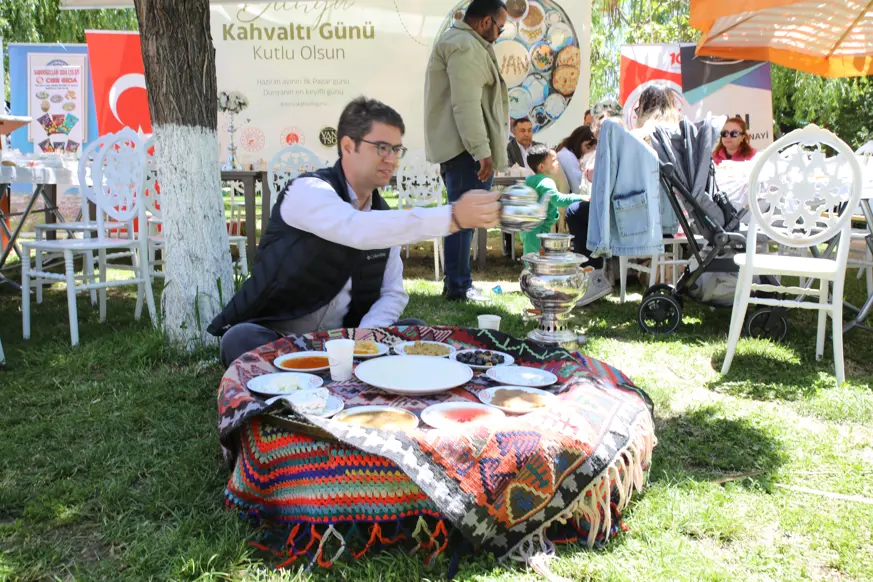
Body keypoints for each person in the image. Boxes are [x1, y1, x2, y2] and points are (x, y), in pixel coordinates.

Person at [208, 97, 501, 368]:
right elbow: (355, 228)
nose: (392, 159)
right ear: (348, 146)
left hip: (345, 339)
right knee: (240, 340)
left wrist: (363, 339)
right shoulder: (307, 191)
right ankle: (319, 375)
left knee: (415, 329)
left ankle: (343, 370)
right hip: (282, 337)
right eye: (382, 147)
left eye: (396, 149)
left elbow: (392, 293)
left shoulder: (383, 215)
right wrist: (452, 216)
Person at [425, 0, 509, 302]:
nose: (499, 34)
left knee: (463, 217)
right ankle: (459, 286)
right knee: (464, 217)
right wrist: (481, 151)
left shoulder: (462, 42)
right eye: (500, 28)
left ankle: (458, 282)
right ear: (486, 22)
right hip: (466, 152)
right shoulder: (464, 45)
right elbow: (466, 105)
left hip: (463, 150)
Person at [519, 144, 584, 256]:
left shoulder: (529, 180)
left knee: (531, 258)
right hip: (538, 230)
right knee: (537, 261)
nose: (557, 162)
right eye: (554, 160)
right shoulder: (546, 182)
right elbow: (559, 200)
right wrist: (580, 197)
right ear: (541, 167)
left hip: (528, 229)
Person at [555, 125, 597, 194]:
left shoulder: (568, 155)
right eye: (588, 147)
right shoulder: (566, 156)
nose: (590, 152)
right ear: (577, 142)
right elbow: (578, 187)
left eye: (594, 149)